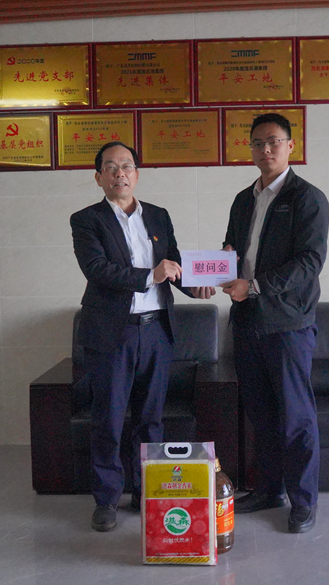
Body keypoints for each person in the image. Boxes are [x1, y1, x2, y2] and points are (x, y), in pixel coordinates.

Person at [70, 141, 214, 532]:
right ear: (98, 177)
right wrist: (150, 275)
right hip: (111, 334)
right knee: (109, 418)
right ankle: (107, 499)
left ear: (137, 174)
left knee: (151, 419)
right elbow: (97, 269)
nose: (120, 173)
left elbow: (174, 264)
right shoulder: (86, 220)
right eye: (111, 167)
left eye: (127, 166)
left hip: (156, 331)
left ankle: (146, 491)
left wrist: (195, 286)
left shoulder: (158, 216)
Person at [221, 113, 329, 534]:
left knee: (295, 417)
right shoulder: (243, 199)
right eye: (257, 143)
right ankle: (268, 490)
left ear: (290, 146)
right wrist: (216, 269)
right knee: (261, 413)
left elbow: (309, 262)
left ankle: (303, 502)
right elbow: (233, 249)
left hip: (287, 323)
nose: (265, 150)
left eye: (273, 142)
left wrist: (255, 286)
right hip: (246, 319)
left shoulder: (307, 198)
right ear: (249, 149)